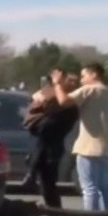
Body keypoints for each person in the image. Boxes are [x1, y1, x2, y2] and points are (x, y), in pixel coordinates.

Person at [51, 62, 108, 211]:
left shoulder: (89, 90)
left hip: (88, 148)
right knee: (106, 189)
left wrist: (57, 85)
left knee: (89, 188)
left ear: (93, 74)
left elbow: (63, 101)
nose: (81, 80)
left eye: (83, 75)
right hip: (107, 149)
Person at [20, 70, 80, 208]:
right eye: (69, 80)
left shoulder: (70, 103)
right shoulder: (54, 95)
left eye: (75, 82)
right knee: (47, 183)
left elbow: (49, 125)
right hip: (46, 146)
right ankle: (53, 207)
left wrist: (55, 86)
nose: (72, 84)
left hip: (52, 148)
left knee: (48, 182)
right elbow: (38, 101)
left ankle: (32, 176)